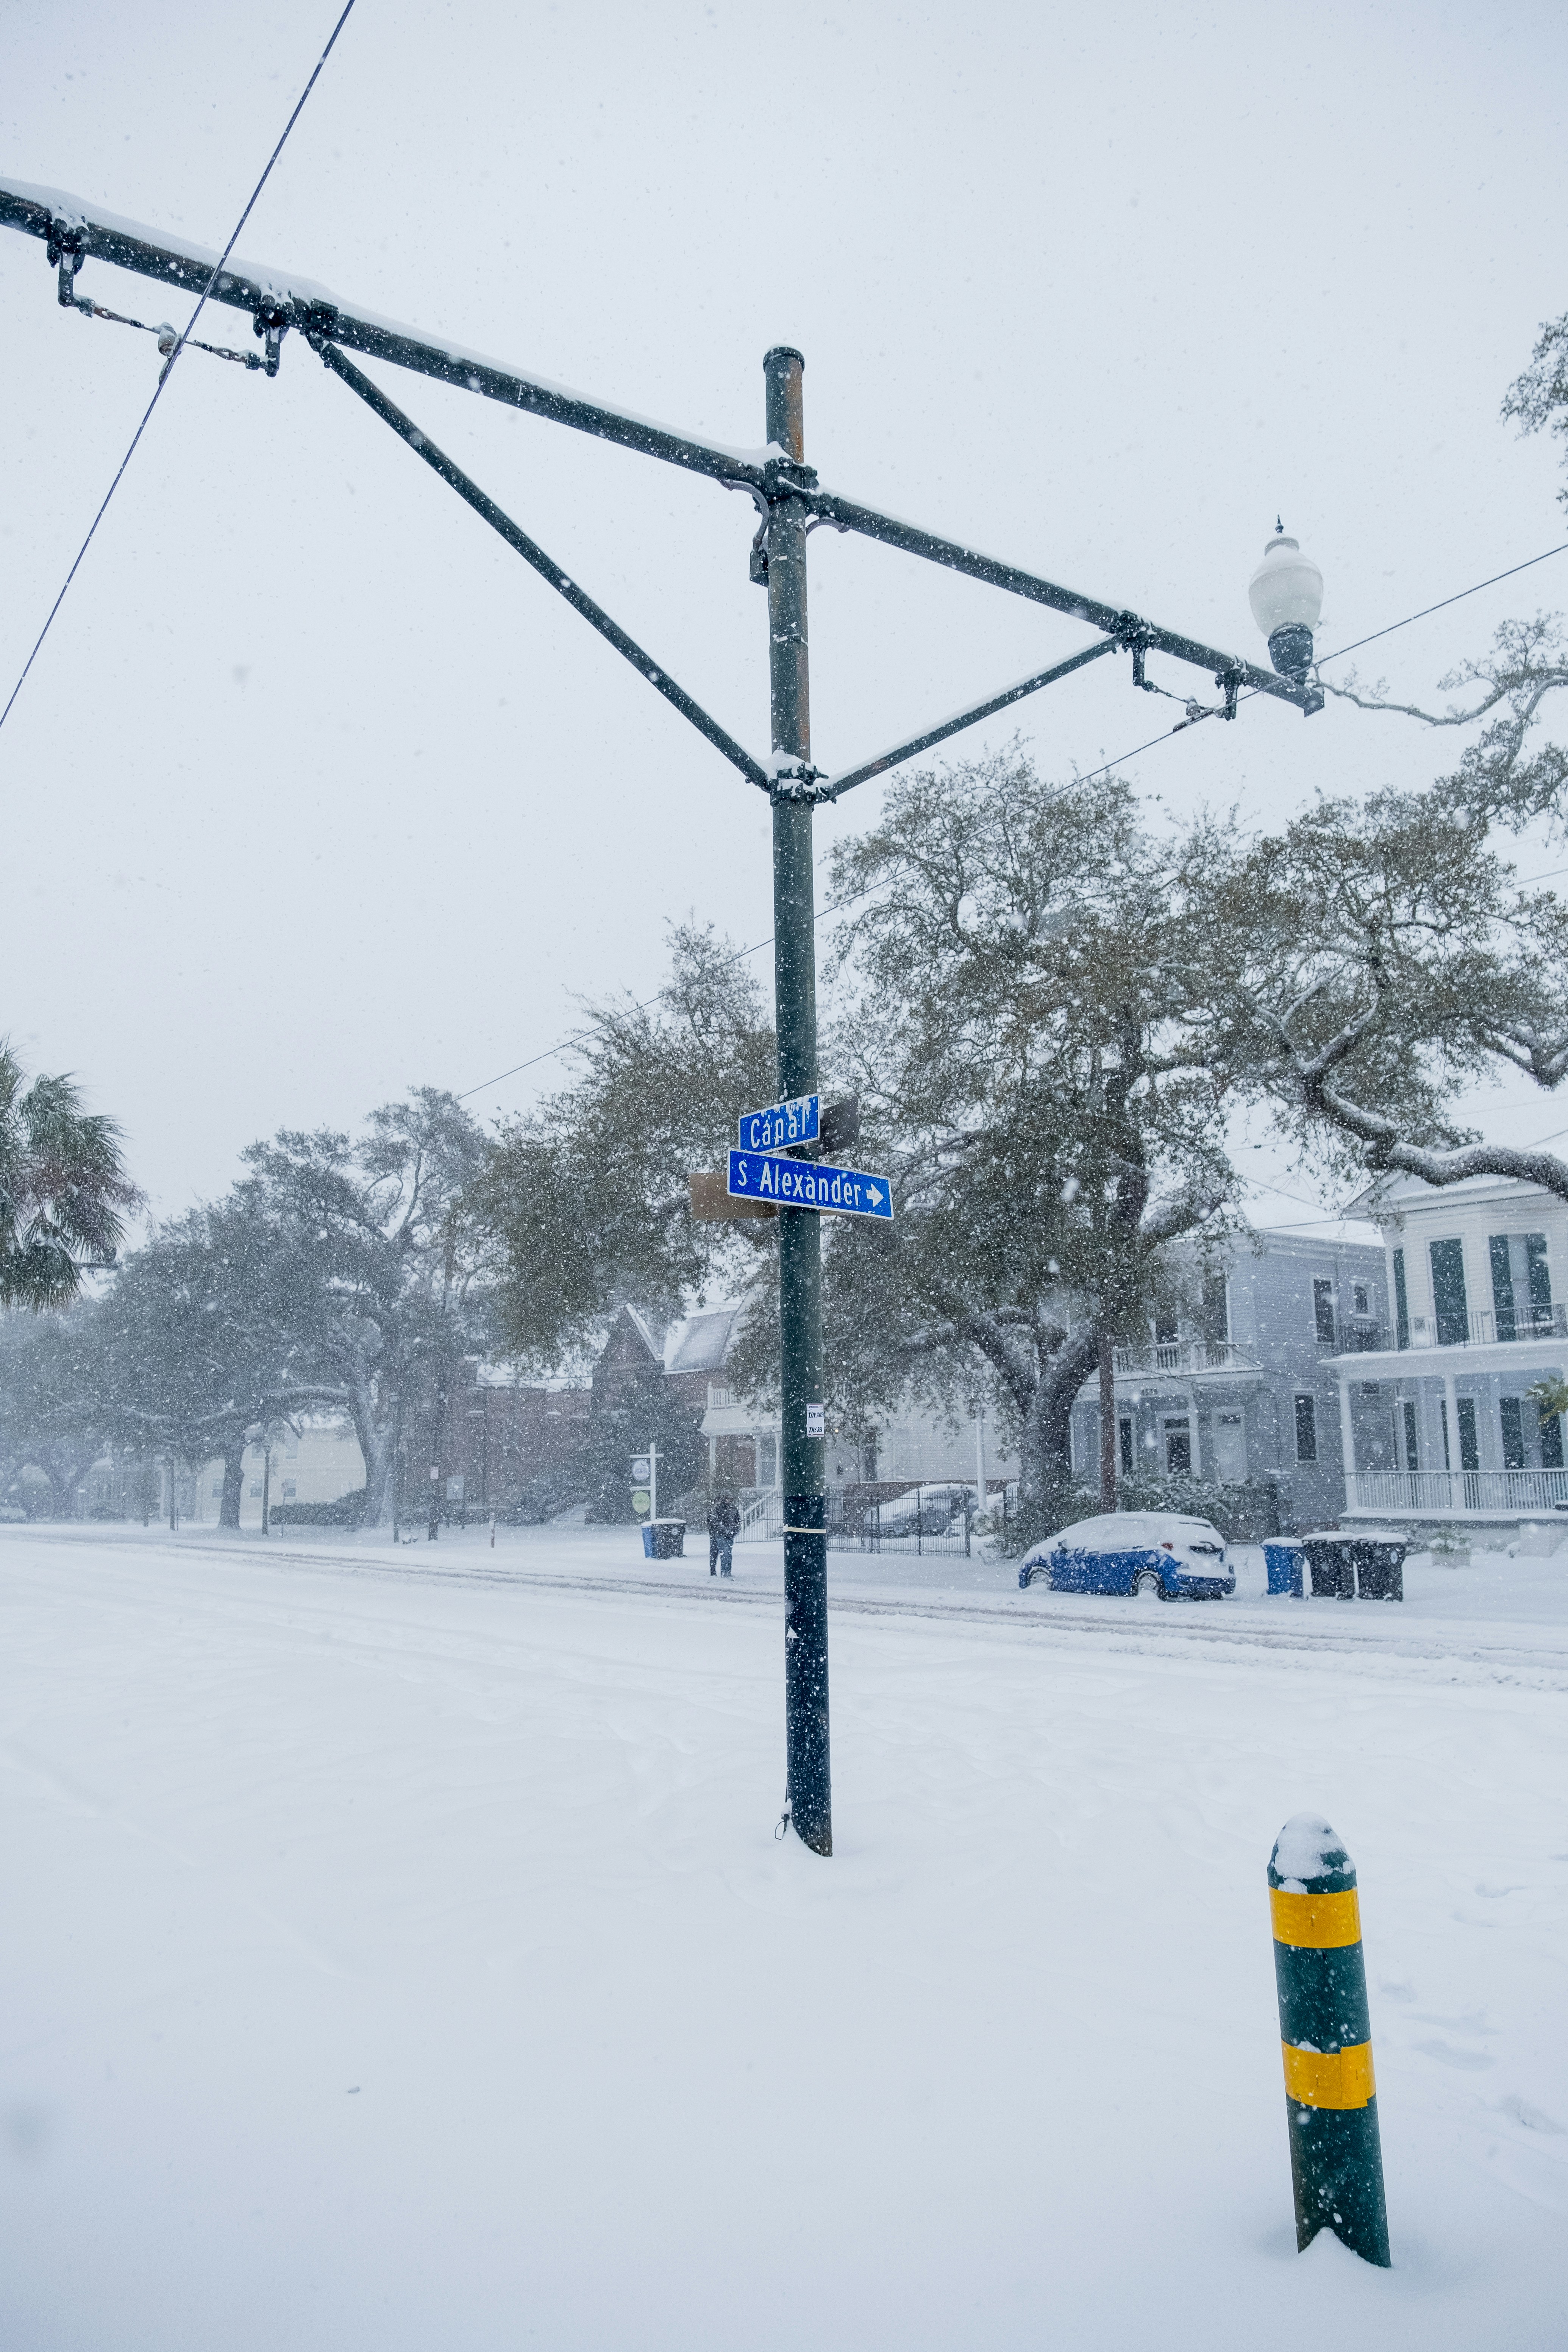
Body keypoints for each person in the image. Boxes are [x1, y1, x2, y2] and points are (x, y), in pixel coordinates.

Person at [708, 1487, 741, 1577]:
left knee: (727, 1553)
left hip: (729, 1535)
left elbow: (738, 1522)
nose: (728, 1500)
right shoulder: (718, 1508)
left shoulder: (733, 1509)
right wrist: (723, 1530)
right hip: (720, 1535)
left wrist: (733, 1531)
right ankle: (724, 1572)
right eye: (727, 1498)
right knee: (725, 1552)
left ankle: (726, 1572)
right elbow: (714, 1522)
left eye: (730, 1498)